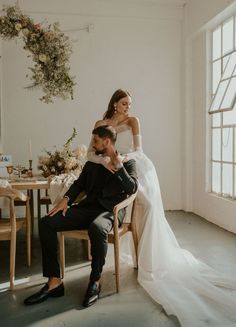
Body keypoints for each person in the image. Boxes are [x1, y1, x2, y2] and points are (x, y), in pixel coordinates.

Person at [87, 89, 236, 327]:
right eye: (124, 103)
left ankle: (149, 256)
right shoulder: (100, 124)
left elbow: (139, 150)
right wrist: (107, 160)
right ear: (115, 104)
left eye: (130, 104)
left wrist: (122, 159)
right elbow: (92, 153)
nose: (128, 107)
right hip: (110, 168)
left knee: (146, 206)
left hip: (135, 166)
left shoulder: (133, 121)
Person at [24, 125, 138, 307]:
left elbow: (132, 189)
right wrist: (66, 199)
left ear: (107, 142)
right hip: (86, 209)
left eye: (96, 141)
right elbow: (79, 184)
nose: (92, 144)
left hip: (109, 212)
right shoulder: (93, 162)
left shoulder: (128, 162)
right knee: (46, 222)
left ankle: (95, 281)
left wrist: (119, 165)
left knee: (97, 228)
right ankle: (54, 283)